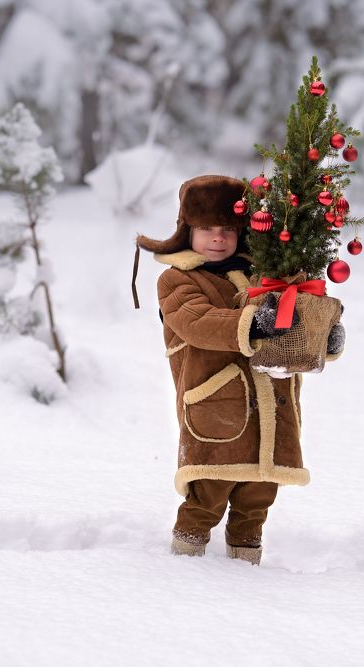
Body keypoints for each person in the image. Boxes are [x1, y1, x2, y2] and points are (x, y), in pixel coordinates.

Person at [134, 174, 343, 566]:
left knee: (259, 493)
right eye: (207, 229)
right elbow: (199, 322)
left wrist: (321, 338)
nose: (218, 238)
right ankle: (183, 559)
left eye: (227, 229)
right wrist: (253, 323)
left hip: (271, 408)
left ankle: (246, 566)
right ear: (187, 232)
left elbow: (295, 322)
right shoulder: (177, 280)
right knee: (209, 491)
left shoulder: (264, 277)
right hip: (217, 404)